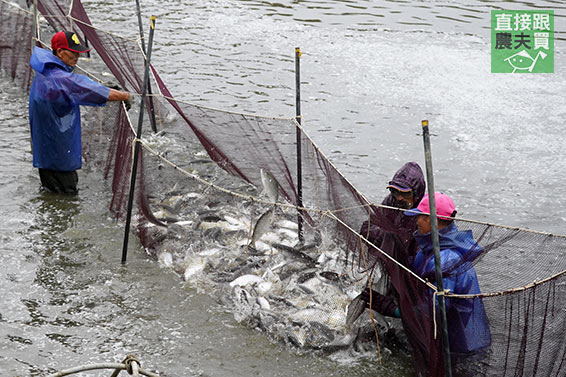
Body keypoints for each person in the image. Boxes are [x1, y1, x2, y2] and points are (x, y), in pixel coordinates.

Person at [373, 193, 491, 371]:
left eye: (419, 217)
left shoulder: (445, 260)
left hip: (462, 347)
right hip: (448, 338)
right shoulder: (429, 248)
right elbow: (416, 275)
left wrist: (393, 310)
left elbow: (434, 309)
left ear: (430, 220)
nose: (416, 222)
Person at [29, 31, 131, 194]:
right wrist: (124, 96)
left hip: (45, 152)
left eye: (78, 53)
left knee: (50, 192)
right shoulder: (60, 78)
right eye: (73, 53)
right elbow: (89, 89)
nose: (77, 57)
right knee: (67, 198)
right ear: (60, 52)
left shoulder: (44, 70)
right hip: (59, 155)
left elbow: (83, 86)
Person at [347, 162, 425, 324]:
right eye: (394, 191)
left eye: (404, 193)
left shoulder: (427, 212)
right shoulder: (391, 202)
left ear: (416, 193)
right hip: (390, 265)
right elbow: (367, 227)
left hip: (413, 270)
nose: (398, 197)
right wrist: (388, 239)